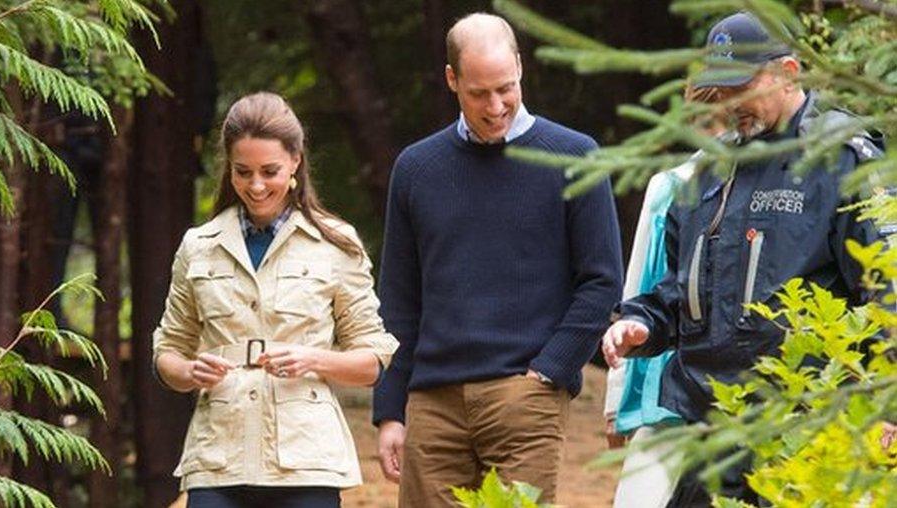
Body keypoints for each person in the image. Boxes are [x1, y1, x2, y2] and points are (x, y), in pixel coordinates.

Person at [601, 12, 885, 506]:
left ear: (790, 73)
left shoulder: (844, 158)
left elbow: (887, 290)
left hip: (805, 432)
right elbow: (681, 289)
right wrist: (642, 324)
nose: (729, 104)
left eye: (741, 87)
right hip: (706, 431)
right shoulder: (709, 172)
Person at [372, 12, 624, 506]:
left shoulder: (575, 157)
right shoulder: (416, 169)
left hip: (524, 394)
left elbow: (601, 282)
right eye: (478, 93)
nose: (495, 106)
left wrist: (549, 371)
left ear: (521, 70)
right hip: (433, 400)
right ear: (452, 81)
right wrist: (390, 411)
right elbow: (398, 300)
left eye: (506, 89)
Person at [152, 92, 398, 508]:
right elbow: (167, 352)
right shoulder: (198, 246)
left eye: (270, 171)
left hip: (306, 458)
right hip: (217, 457)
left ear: (296, 162)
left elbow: (372, 359)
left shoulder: (336, 244)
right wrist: (191, 371)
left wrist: (313, 359)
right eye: (242, 172)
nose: (256, 185)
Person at [604, 85, 728, 508]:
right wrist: (613, 399)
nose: (718, 133)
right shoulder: (669, 188)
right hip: (659, 389)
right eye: (707, 122)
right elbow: (637, 287)